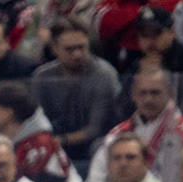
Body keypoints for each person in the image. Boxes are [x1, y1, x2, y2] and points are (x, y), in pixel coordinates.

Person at [33, 21, 119, 167]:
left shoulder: (104, 75)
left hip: (96, 152)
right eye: (70, 49)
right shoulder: (43, 76)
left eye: (81, 47)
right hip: (54, 150)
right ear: (54, 49)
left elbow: (96, 129)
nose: (77, 54)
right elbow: (37, 119)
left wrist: (60, 140)